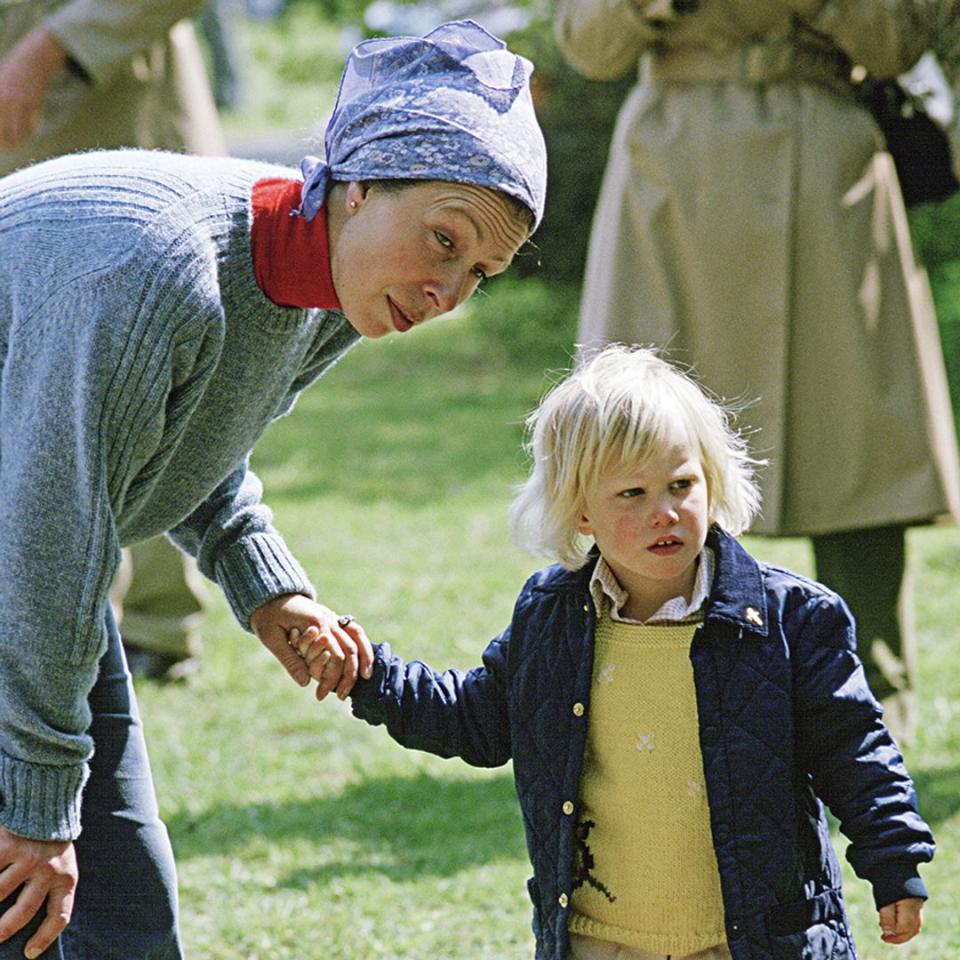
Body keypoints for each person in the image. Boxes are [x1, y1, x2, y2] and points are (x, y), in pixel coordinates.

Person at [0, 19, 546, 959]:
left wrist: (267, 588)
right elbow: (50, 531)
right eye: (443, 239)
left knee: (126, 918)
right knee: (40, 905)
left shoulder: (328, 288)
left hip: (38, 583)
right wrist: (38, 809)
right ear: (361, 179)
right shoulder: (161, 269)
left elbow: (184, 436)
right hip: (29, 572)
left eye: (480, 272)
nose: (449, 289)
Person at [318, 345, 933, 960]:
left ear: (712, 480)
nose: (663, 512)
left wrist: (894, 858)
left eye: (681, 485)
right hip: (599, 938)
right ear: (580, 509)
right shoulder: (551, 616)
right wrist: (370, 675)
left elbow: (854, 749)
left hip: (753, 940)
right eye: (632, 493)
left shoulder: (791, 620)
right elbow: (479, 718)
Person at [552, 0, 960, 745]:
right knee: (645, 451)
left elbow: (897, 41)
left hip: (828, 170)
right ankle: (655, 708)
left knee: (856, 445)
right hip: (674, 171)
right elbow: (589, 44)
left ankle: (872, 717)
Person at [0, 0, 227, 681]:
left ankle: (140, 632)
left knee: (131, 389)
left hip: (111, 117)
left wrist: (51, 46)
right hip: (33, 131)